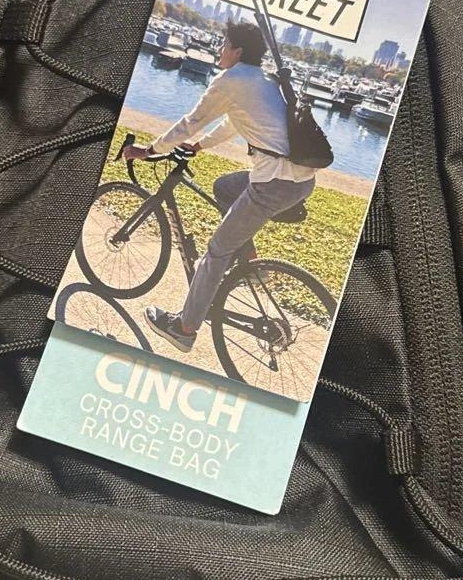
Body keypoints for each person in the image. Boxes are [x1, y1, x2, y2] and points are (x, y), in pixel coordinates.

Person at [123, 20, 318, 353]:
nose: (219, 49)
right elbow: (232, 122)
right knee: (225, 187)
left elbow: (191, 122)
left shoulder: (231, 80)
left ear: (237, 51)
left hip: (275, 183)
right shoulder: (262, 80)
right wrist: (200, 146)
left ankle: (184, 329)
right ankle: (250, 262)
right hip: (301, 180)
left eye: (224, 44)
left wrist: (149, 150)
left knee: (216, 252)